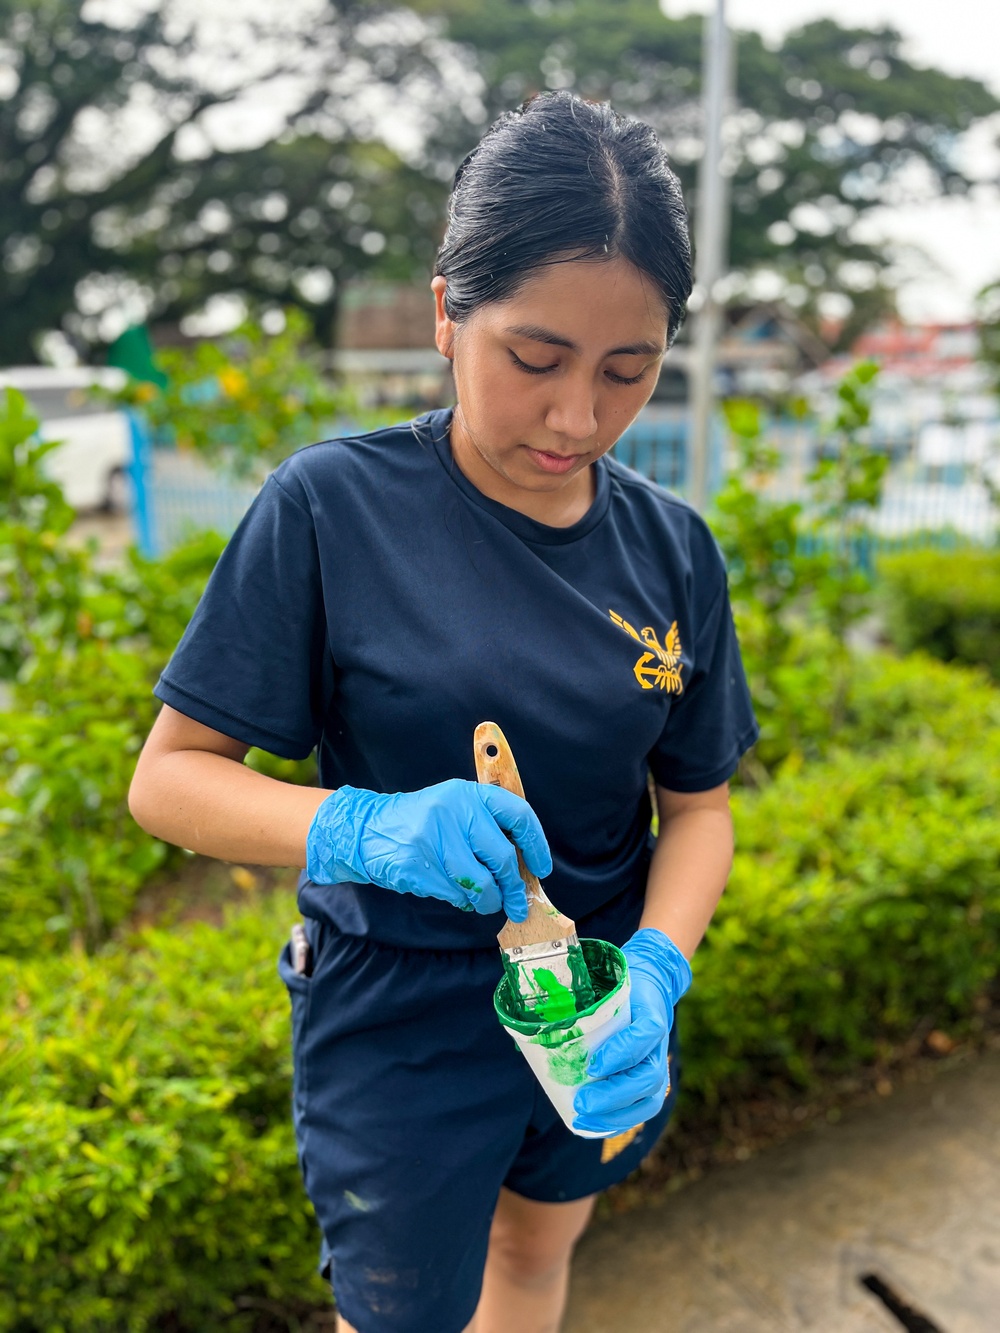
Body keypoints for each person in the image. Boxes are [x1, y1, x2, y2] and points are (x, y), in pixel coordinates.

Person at [128, 91, 759, 1333]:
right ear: (445, 314)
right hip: (395, 1017)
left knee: (535, 1256)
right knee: (405, 1312)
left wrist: (655, 970)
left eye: (628, 372)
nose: (578, 418)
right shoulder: (328, 509)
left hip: (590, 1000)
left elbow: (699, 809)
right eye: (534, 359)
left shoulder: (672, 550)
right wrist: (366, 828)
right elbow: (171, 780)